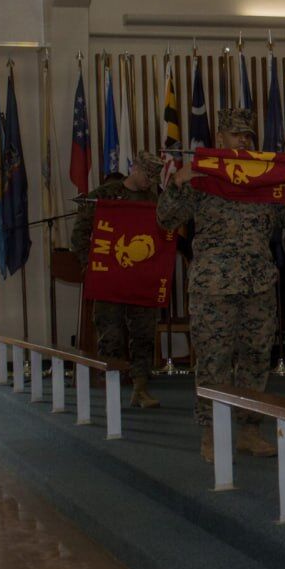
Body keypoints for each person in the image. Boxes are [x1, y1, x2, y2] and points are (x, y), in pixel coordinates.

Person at [157, 108, 285, 462]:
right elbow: (166, 219)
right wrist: (177, 184)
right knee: (214, 362)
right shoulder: (204, 175)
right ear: (220, 138)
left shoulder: (265, 178)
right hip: (214, 286)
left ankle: (249, 430)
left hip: (258, 284)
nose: (243, 140)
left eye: (248, 135)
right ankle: (212, 433)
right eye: (236, 134)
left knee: (256, 360)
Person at [71, 151, 164, 408]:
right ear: (135, 168)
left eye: (154, 178)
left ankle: (140, 389)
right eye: (147, 176)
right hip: (109, 278)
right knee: (110, 335)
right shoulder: (105, 195)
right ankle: (111, 394)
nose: (149, 181)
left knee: (143, 333)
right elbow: (79, 234)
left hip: (140, 278)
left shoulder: (153, 200)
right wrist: (89, 266)